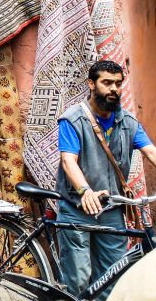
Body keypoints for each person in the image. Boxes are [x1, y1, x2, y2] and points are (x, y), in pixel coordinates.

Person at [56, 60, 156, 300]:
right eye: (107, 83)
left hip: (111, 208)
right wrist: (85, 191)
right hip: (76, 208)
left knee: (113, 276)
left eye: (118, 84)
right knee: (78, 279)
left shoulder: (128, 122)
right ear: (91, 84)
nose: (114, 89)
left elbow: (151, 152)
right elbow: (69, 161)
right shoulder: (73, 119)